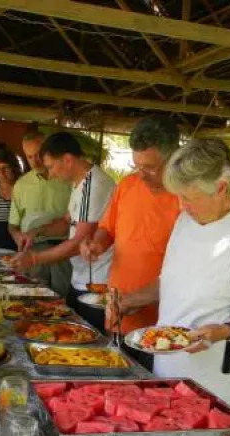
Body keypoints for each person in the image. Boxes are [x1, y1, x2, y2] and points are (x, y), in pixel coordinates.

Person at [118, 138, 230, 410]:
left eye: (189, 197)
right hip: (165, 373)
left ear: (220, 187)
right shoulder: (185, 220)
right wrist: (133, 299)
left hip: (215, 385)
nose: (181, 206)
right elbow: (174, 280)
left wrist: (224, 331)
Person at [80, 116, 181, 367]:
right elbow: (107, 228)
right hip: (119, 314)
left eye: (150, 167)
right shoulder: (127, 185)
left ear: (173, 158)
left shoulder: (186, 198)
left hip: (162, 328)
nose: (142, 175)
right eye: (137, 166)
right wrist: (97, 244)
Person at [10, 132, 115, 331]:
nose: (50, 175)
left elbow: (78, 242)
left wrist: (34, 259)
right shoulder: (79, 183)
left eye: (51, 167)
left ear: (67, 159)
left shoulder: (93, 185)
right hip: (81, 278)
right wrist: (36, 232)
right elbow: (66, 222)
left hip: (96, 284)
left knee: (87, 340)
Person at [8, 130, 72, 297]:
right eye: (29, 157)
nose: (34, 161)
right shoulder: (21, 185)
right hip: (32, 250)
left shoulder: (68, 180)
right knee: (32, 298)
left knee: (60, 302)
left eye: (37, 154)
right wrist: (18, 236)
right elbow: (12, 225)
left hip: (63, 250)